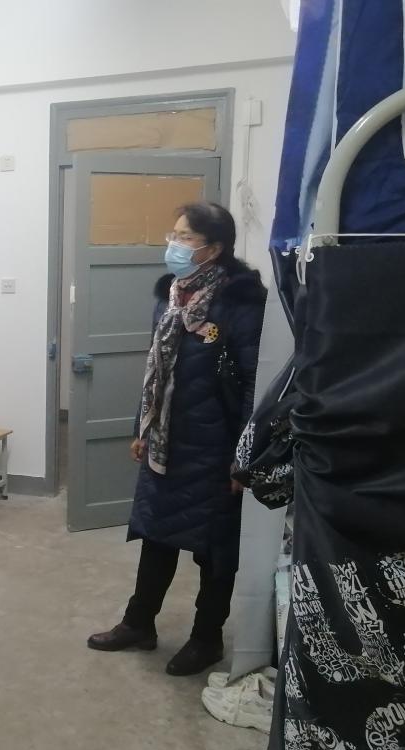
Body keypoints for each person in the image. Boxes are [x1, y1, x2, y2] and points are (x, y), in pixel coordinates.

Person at [87, 201, 266, 676]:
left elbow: (254, 382)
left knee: (214, 549)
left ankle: (207, 639)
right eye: (174, 235)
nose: (174, 245)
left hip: (216, 445)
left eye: (185, 237)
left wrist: (244, 457)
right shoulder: (170, 296)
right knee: (156, 533)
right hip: (167, 440)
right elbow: (155, 370)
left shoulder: (241, 302)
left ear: (214, 248)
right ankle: (138, 623)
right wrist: (142, 428)